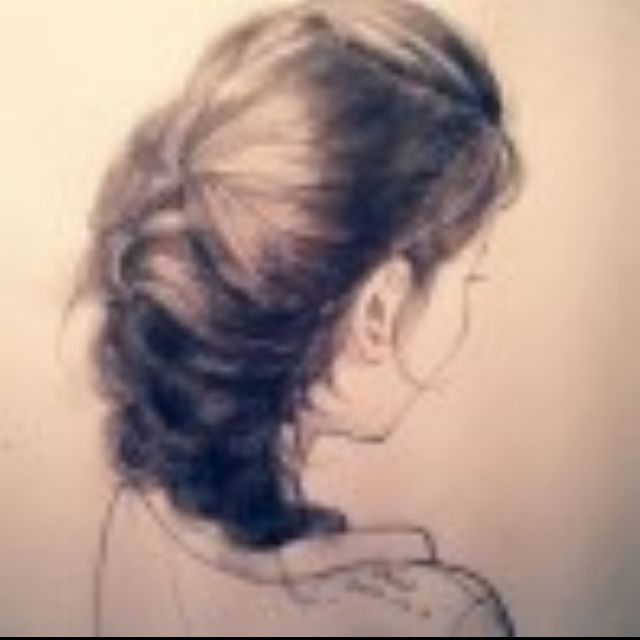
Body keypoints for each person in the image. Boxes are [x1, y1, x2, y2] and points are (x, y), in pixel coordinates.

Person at [78, 0, 520, 635]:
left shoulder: (143, 514)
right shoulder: (446, 619)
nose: (471, 307)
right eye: (470, 278)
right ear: (379, 311)